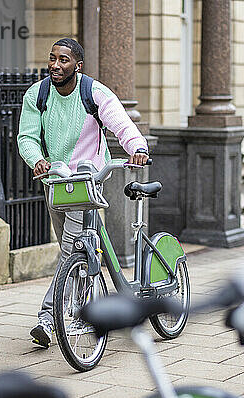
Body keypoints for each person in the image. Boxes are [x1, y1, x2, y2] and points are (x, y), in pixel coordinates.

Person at [17, 38, 149, 348]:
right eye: (52, 58)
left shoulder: (94, 93)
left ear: (77, 66)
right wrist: (36, 160)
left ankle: (48, 319)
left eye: (63, 60)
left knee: (68, 251)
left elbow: (121, 123)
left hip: (88, 178)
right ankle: (78, 306)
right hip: (55, 180)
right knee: (74, 250)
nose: (55, 64)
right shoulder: (37, 95)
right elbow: (26, 136)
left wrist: (138, 148)